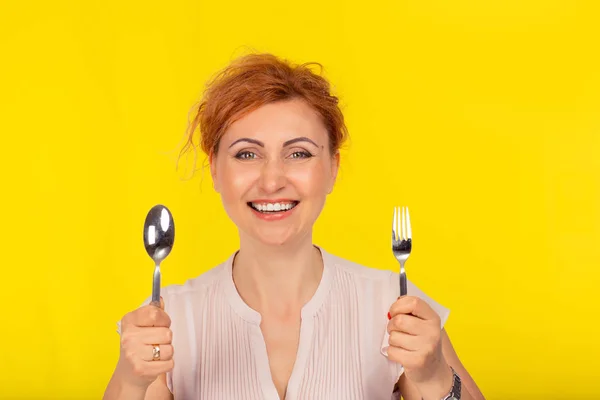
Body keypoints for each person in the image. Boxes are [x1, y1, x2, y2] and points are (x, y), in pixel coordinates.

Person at [103, 53, 485, 400]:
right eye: (247, 154)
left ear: (332, 169)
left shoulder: (393, 303)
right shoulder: (166, 321)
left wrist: (434, 376)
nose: (272, 181)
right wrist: (131, 382)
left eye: (298, 153)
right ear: (215, 169)